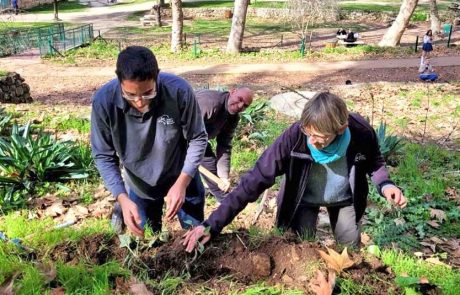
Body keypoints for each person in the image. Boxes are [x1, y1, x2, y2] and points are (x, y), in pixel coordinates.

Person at [183, 92, 407, 252]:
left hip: (344, 199)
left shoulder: (360, 132)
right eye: (308, 132)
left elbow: (374, 162)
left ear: (340, 130)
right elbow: (253, 181)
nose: (311, 141)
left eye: (319, 137)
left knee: (349, 249)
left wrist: (385, 184)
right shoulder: (294, 137)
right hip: (302, 200)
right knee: (301, 251)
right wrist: (212, 224)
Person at [91, 46, 208, 237]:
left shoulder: (179, 91)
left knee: (196, 237)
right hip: (139, 185)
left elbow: (198, 137)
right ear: (119, 80)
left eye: (147, 93)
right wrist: (122, 197)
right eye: (130, 95)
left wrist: (182, 183)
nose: (139, 102)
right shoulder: (104, 102)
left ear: (157, 77)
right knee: (148, 244)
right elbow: (103, 155)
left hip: (182, 177)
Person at [196, 88, 254, 202]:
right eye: (240, 99)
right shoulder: (210, 103)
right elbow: (184, 126)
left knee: (210, 167)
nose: (240, 106)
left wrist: (223, 177)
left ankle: (226, 204)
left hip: (198, 141)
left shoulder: (233, 118)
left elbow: (224, 145)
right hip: (176, 134)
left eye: (245, 105)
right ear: (232, 92)